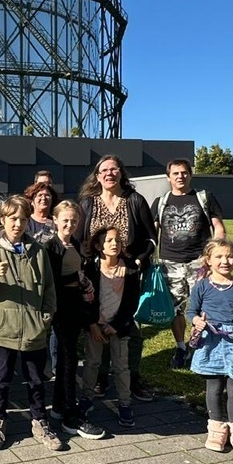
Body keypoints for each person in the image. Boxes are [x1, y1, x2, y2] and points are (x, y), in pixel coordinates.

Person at [0, 195, 61, 452]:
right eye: (13, 219)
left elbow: (49, 291)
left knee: (36, 379)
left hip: (33, 329)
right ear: (3, 220)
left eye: (23, 219)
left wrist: (44, 319)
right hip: (4, 328)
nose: (18, 224)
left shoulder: (37, 250)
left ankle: (39, 421)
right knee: (1, 379)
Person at [77, 155, 157, 401]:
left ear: (121, 173)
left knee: (129, 327)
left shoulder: (134, 201)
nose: (109, 173)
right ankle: (101, 377)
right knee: (98, 324)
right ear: (97, 175)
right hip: (97, 274)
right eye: (104, 170)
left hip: (127, 274)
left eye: (114, 169)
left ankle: (132, 377)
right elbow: (79, 240)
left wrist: (137, 260)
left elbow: (151, 239)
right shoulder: (88, 204)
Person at [187, 237, 233, 455]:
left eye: (229, 256)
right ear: (208, 260)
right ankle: (216, 430)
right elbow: (191, 311)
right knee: (214, 388)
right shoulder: (201, 287)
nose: (225, 261)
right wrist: (196, 321)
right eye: (218, 256)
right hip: (212, 342)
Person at [152, 159, 226, 368]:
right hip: (170, 263)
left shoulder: (204, 198)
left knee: (203, 308)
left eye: (184, 173)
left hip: (199, 263)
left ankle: (197, 345)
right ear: (168, 177)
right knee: (175, 310)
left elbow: (218, 227)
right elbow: (151, 231)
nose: (180, 176)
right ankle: (180, 347)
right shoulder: (161, 202)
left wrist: (215, 256)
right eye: (175, 173)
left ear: (190, 175)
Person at [46, 200, 106, 439]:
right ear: (55, 220)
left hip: (75, 307)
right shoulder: (50, 247)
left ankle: (60, 405)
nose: (69, 224)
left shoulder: (75, 245)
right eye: (65, 220)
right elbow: (50, 282)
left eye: (73, 220)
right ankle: (70, 415)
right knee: (68, 360)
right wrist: (78, 279)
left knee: (67, 359)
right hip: (60, 309)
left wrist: (83, 282)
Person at [81, 226, 140, 428]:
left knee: (121, 366)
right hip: (95, 326)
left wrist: (116, 325)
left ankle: (125, 404)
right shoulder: (90, 267)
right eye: (108, 241)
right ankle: (86, 399)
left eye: (117, 240)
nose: (114, 244)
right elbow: (86, 300)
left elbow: (132, 301)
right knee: (92, 363)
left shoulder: (130, 268)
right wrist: (93, 324)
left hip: (119, 326)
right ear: (98, 246)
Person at [24, 180, 58, 246]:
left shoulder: (57, 222)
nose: (43, 198)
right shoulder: (25, 221)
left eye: (47, 195)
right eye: (40, 195)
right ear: (31, 201)